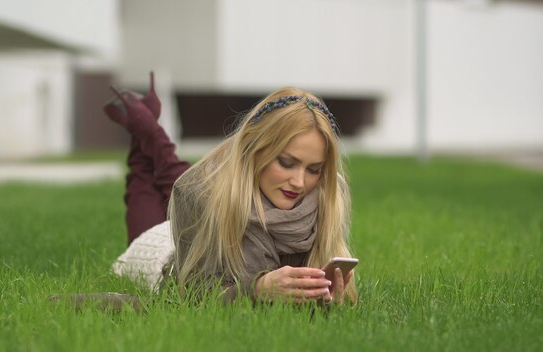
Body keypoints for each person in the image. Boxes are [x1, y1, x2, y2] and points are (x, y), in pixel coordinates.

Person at [105, 72, 357, 305]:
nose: (300, 182)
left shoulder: (328, 193)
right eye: (287, 163)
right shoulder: (198, 192)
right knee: (148, 183)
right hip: (161, 251)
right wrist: (256, 289)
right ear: (255, 149)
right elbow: (192, 292)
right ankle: (144, 127)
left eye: (313, 169)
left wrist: (326, 297)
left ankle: (146, 124)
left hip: (225, 199)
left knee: (180, 173)